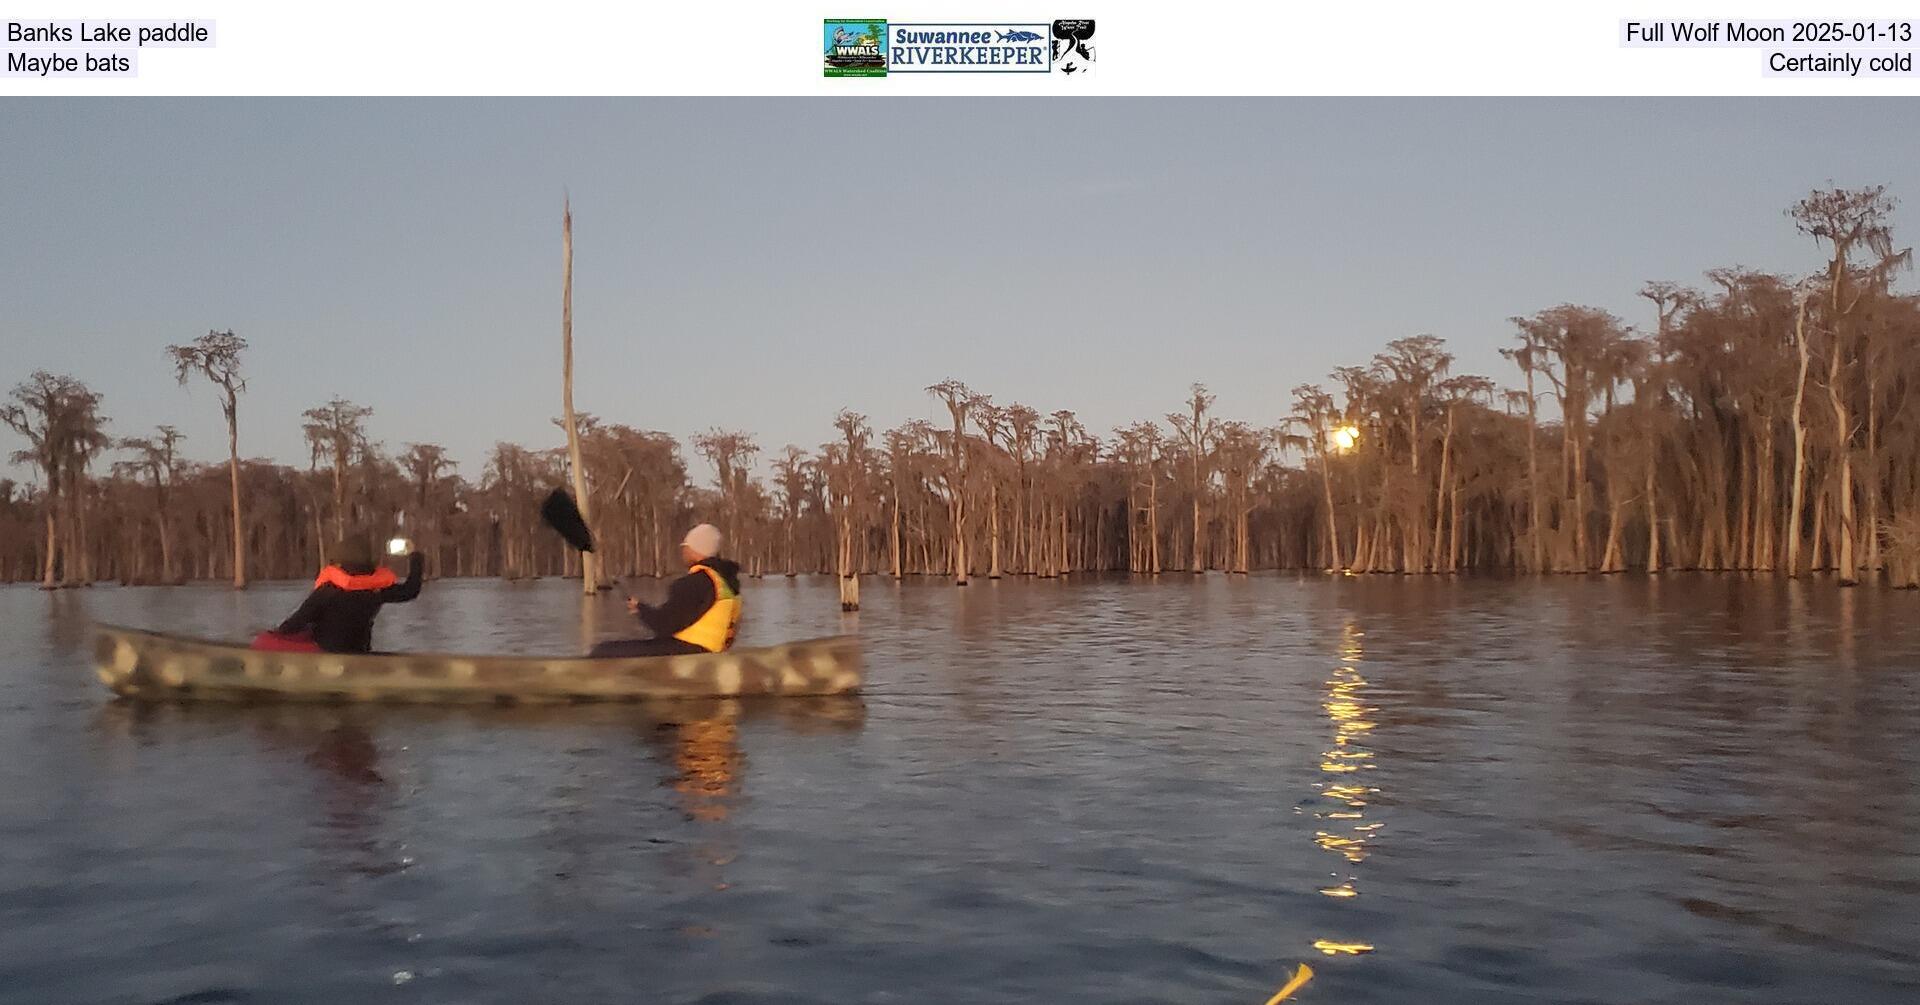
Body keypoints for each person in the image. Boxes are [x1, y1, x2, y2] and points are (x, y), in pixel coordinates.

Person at [590, 523, 742, 658]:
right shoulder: (725, 582)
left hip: (692, 653)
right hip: (711, 651)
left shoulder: (695, 582)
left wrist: (642, 610)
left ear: (694, 550)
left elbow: (664, 625)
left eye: (685, 546)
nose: (683, 551)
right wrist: (641, 608)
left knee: (603, 650)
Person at [263, 535, 425, 653]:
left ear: (340, 562)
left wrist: (276, 633)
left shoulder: (329, 589)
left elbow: (297, 621)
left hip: (327, 652)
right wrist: (416, 558)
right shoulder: (377, 589)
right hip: (359, 650)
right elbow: (410, 591)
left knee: (264, 641)